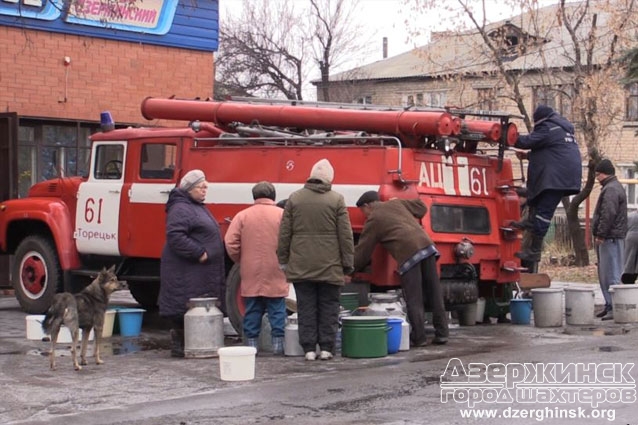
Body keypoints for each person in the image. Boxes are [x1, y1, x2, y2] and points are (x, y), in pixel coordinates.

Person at [277, 158, 354, 361]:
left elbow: (285, 233)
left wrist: (283, 260)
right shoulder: (337, 200)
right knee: (329, 307)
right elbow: (345, 236)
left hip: (301, 265)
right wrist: (347, 264)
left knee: (306, 307)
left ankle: (309, 349)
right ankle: (327, 348)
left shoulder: (294, 199)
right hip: (330, 265)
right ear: (329, 179)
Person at [352, 191, 448, 347]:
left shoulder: (374, 219)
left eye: (363, 211)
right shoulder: (395, 203)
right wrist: (401, 200)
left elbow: (363, 252)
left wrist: (349, 270)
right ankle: (442, 333)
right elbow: (421, 208)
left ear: (367, 206)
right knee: (434, 292)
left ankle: (419, 338)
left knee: (414, 298)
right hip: (428, 247)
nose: (364, 215)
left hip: (409, 253)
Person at [159, 169, 226, 358]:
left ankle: (190, 343)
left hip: (196, 271)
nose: (205, 189)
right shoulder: (181, 208)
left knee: (192, 305)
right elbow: (175, 235)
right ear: (189, 189)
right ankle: (182, 345)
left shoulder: (193, 205)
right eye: (201, 186)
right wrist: (200, 253)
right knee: (185, 305)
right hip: (187, 270)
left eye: (206, 186)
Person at [224, 181, 288, 355]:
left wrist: (241, 259)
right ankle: (278, 347)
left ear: (254, 196)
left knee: (252, 308)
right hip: (276, 268)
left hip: (250, 269)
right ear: (273, 196)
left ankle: (251, 347)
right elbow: (293, 240)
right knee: (277, 308)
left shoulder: (242, 216)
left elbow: (230, 243)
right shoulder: (282, 215)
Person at [512, 105, 582, 262]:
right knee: (539, 201)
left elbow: (527, 141)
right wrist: (528, 157)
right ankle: (529, 222)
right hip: (563, 176)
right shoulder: (561, 129)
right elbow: (551, 154)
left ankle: (534, 252)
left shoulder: (547, 127)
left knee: (544, 213)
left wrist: (508, 136)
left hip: (555, 179)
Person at [592, 159, 627, 320]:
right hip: (611, 236)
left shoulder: (611, 189)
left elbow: (608, 213)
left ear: (603, 173)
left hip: (610, 237)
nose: (596, 177)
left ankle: (614, 306)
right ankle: (609, 305)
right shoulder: (611, 187)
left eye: (597, 174)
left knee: (611, 273)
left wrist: (601, 234)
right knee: (606, 273)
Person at [622, 210, 638, 284]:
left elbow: (624, 228)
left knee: (629, 259)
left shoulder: (630, 215)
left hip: (630, 238)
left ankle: (627, 278)